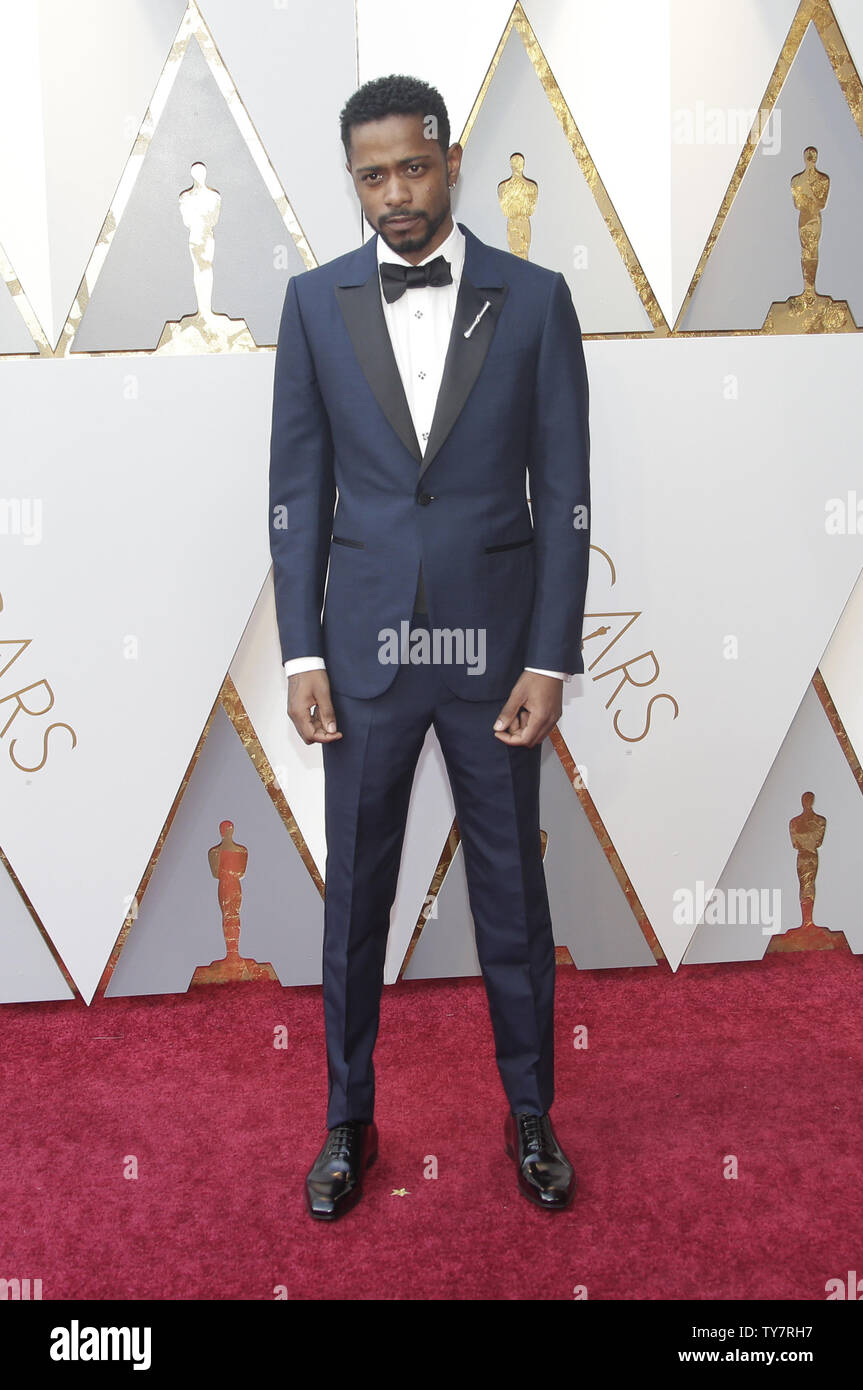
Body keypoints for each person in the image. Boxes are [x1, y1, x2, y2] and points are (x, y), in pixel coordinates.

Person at [268, 74, 591, 1220]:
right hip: (358, 659)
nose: (393, 194)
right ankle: (346, 1122)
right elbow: (296, 492)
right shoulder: (312, 305)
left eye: (412, 166)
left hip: (496, 659)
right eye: (370, 174)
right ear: (350, 179)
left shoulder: (537, 300)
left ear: (449, 159)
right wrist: (301, 654)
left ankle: (530, 1115)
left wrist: (549, 659)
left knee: (512, 892)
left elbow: (562, 493)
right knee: (354, 899)